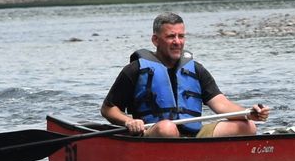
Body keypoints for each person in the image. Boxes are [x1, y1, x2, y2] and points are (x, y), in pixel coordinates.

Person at [101, 12, 269, 138]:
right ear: (155, 40)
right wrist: (128, 121)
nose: (177, 42)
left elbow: (222, 105)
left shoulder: (196, 70)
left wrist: (249, 113)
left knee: (248, 126)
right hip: (154, 133)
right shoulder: (135, 69)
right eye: (170, 36)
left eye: (181, 36)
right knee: (167, 128)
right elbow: (108, 108)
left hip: (193, 136)